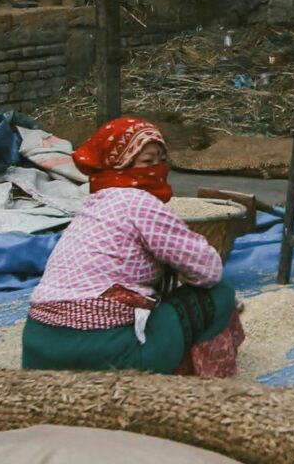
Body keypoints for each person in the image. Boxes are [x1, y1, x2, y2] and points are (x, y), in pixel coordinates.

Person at [20, 117, 244, 375]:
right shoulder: (139, 203)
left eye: (162, 160)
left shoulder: (93, 205)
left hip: (39, 348)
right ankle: (206, 381)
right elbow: (208, 270)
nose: (157, 168)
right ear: (120, 165)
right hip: (101, 351)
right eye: (147, 162)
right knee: (219, 294)